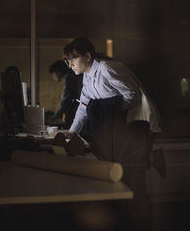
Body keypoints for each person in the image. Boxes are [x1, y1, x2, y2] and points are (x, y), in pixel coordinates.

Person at [63, 37, 163, 210]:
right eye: (67, 61)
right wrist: (71, 133)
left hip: (135, 123)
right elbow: (84, 107)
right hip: (118, 127)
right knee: (120, 171)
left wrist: (111, 111)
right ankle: (152, 158)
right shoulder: (87, 77)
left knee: (134, 176)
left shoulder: (106, 69)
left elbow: (133, 96)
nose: (70, 65)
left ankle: (153, 160)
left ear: (87, 56)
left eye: (73, 60)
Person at [49, 60, 83, 129]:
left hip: (75, 112)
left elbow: (65, 99)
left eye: (53, 74)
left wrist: (55, 117)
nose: (53, 77)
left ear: (58, 72)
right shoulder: (73, 75)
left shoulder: (69, 77)